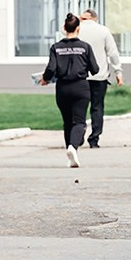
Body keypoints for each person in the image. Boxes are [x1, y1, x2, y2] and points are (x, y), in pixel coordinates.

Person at [40, 13, 99, 168]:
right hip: (80, 87)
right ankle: (73, 147)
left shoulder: (56, 48)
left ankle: (71, 153)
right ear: (78, 29)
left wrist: (45, 79)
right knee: (79, 121)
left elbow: (51, 68)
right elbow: (95, 69)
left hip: (63, 88)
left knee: (67, 122)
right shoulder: (85, 47)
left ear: (64, 28)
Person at [78, 9, 123, 148]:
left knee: (79, 108)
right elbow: (113, 53)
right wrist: (118, 71)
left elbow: (63, 30)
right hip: (99, 76)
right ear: (96, 18)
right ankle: (94, 138)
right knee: (97, 107)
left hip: (80, 77)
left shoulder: (76, 29)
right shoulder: (103, 31)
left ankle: (78, 135)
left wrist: (79, 19)